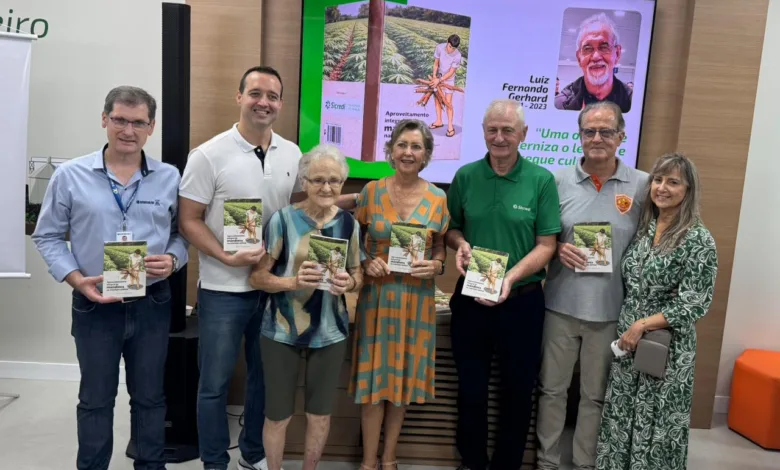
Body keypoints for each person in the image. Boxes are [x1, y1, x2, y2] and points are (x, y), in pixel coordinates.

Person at [31, 86, 188, 470]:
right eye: (119, 119)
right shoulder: (70, 175)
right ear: (104, 119)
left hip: (152, 302)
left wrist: (173, 259)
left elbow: (181, 234)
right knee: (96, 399)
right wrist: (75, 279)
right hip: (94, 302)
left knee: (150, 398)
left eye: (138, 122)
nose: (128, 130)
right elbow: (47, 235)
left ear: (151, 127)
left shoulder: (169, 177)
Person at [178, 65, 304, 470]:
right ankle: (214, 462)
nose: (263, 102)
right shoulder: (208, 155)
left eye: (272, 96)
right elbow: (188, 220)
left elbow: (298, 211)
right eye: (255, 93)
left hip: (271, 287)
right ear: (239, 97)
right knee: (214, 384)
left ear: (281, 103)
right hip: (223, 290)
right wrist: (224, 255)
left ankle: (253, 454)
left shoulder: (293, 153)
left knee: (263, 380)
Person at [446, 99, 561, 470]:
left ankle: (507, 465)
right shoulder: (465, 176)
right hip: (471, 299)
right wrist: (461, 244)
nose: (499, 137)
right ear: (483, 132)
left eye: (507, 130)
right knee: (471, 388)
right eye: (492, 130)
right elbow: (452, 229)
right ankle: (472, 462)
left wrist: (510, 278)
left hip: (522, 302)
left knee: (518, 390)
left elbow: (547, 245)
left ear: (523, 134)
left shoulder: (541, 180)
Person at [537, 101, 649, 470]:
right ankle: (547, 462)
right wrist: (557, 249)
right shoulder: (555, 181)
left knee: (595, 395)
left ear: (621, 136)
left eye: (606, 131)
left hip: (611, 310)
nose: (597, 138)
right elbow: (540, 238)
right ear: (580, 135)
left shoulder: (643, 185)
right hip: (560, 306)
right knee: (552, 390)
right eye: (589, 131)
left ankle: (586, 463)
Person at [596, 153, 718, 470]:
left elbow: (694, 302)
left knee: (656, 423)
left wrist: (642, 325)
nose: (662, 188)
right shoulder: (645, 228)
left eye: (673, 182)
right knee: (622, 414)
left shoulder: (698, 238)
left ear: (688, 190)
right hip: (628, 343)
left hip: (665, 347)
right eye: (658, 180)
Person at [249, 144, 362, 470]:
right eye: (318, 180)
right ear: (303, 182)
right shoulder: (283, 220)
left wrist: (349, 283)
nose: (326, 188)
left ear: (342, 183)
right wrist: (293, 282)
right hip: (281, 330)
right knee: (277, 416)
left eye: (334, 181)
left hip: (330, 331)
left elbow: (358, 274)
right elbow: (257, 277)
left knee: (320, 415)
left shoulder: (349, 224)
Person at [347, 119, 449, 470]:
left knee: (402, 384)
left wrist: (437, 266)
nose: (408, 152)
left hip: (417, 299)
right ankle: (368, 462)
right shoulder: (371, 191)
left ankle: (389, 459)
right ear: (391, 151)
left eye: (416, 146)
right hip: (377, 297)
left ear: (426, 154)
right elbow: (353, 238)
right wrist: (364, 260)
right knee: (373, 384)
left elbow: (440, 248)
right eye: (402, 145)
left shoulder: (438, 198)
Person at [555, 13, 632, 112]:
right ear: (579, 58)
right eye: (587, 48)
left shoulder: (634, 102)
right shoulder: (560, 105)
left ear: (617, 54)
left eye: (604, 47)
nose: (596, 57)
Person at [430, 34, 463, 137]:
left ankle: (450, 127)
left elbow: (451, 72)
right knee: (437, 100)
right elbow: (436, 64)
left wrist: (439, 80)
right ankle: (439, 121)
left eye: (453, 48)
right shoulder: (439, 47)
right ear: (447, 43)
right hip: (438, 77)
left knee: (448, 103)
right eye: (450, 47)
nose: (451, 50)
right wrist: (434, 77)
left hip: (449, 80)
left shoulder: (457, 55)